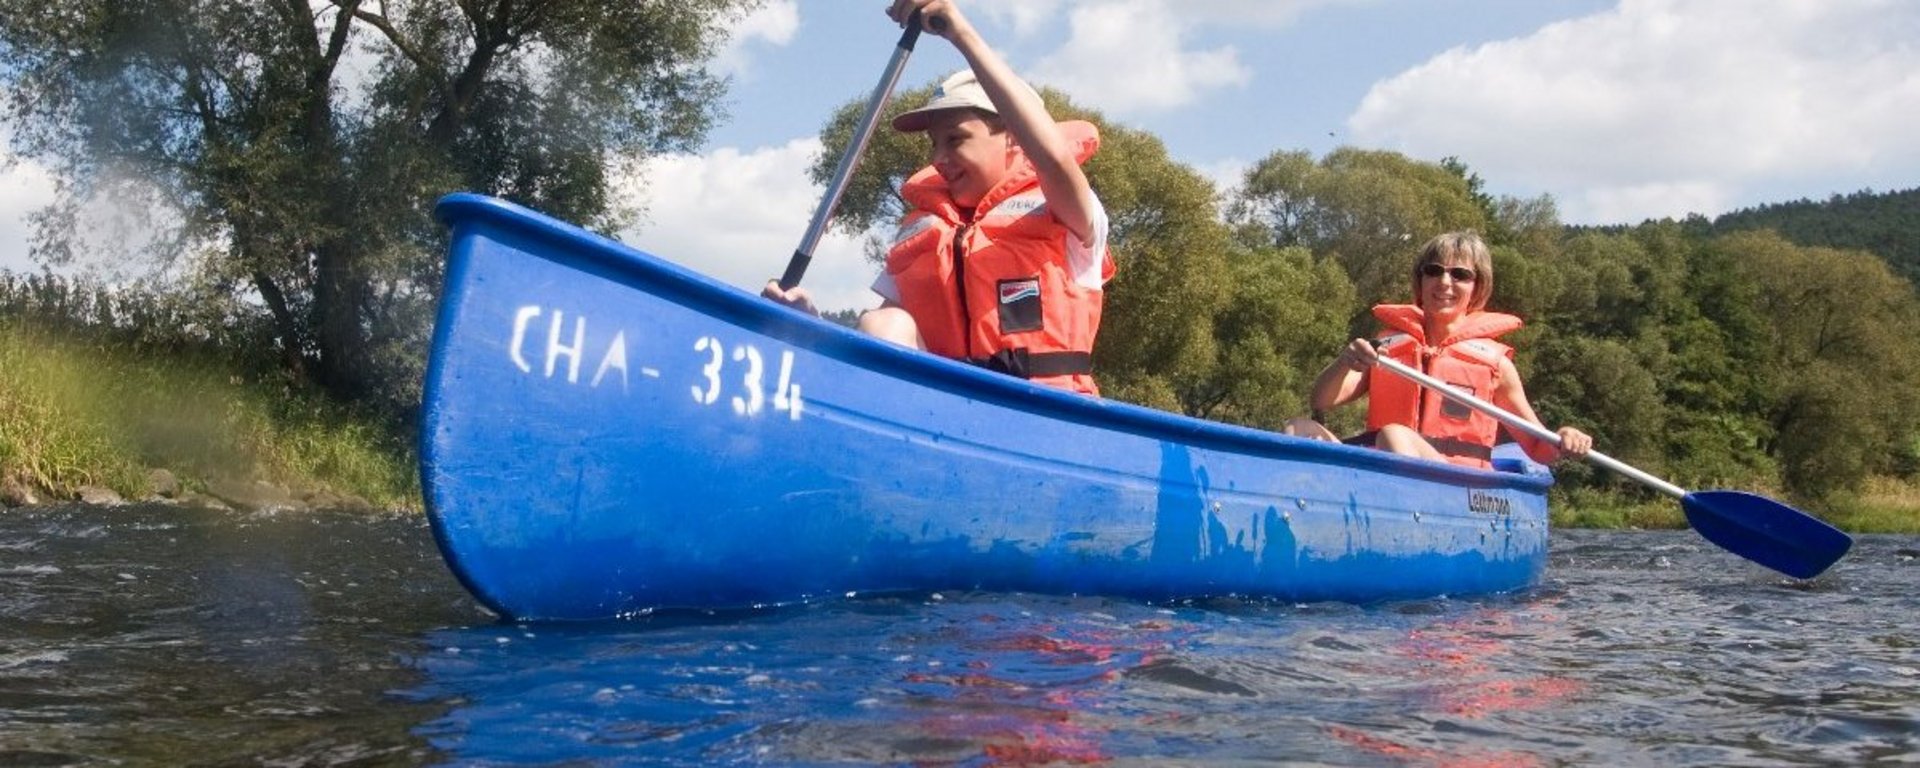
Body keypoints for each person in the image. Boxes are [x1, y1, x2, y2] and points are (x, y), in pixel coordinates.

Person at [763, 0, 1112, 395]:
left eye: (956, 139)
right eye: (934, 144)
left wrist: (958, 32)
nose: (938, 159)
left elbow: (1052, 157)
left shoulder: (1069, 215)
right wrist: (809, 327)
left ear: (1013, 137)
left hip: (1043, 414)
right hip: (946, 411)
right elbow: (875, 348)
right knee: (884, 324)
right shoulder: (925, 232)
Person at [1282, 232, 1594, 469]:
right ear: (1421, 280)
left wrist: (1566, 437)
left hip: (1454, 485)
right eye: (1434, 271)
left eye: (1460, 274)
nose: (1444, 282)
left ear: (1477, 286)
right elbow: (1321, 399)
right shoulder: (1387, 348)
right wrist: (1346, 362)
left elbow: (1538, 447)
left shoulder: (1496, 365)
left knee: (1394, 435)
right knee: (1299, 428)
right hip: (1379, 470)